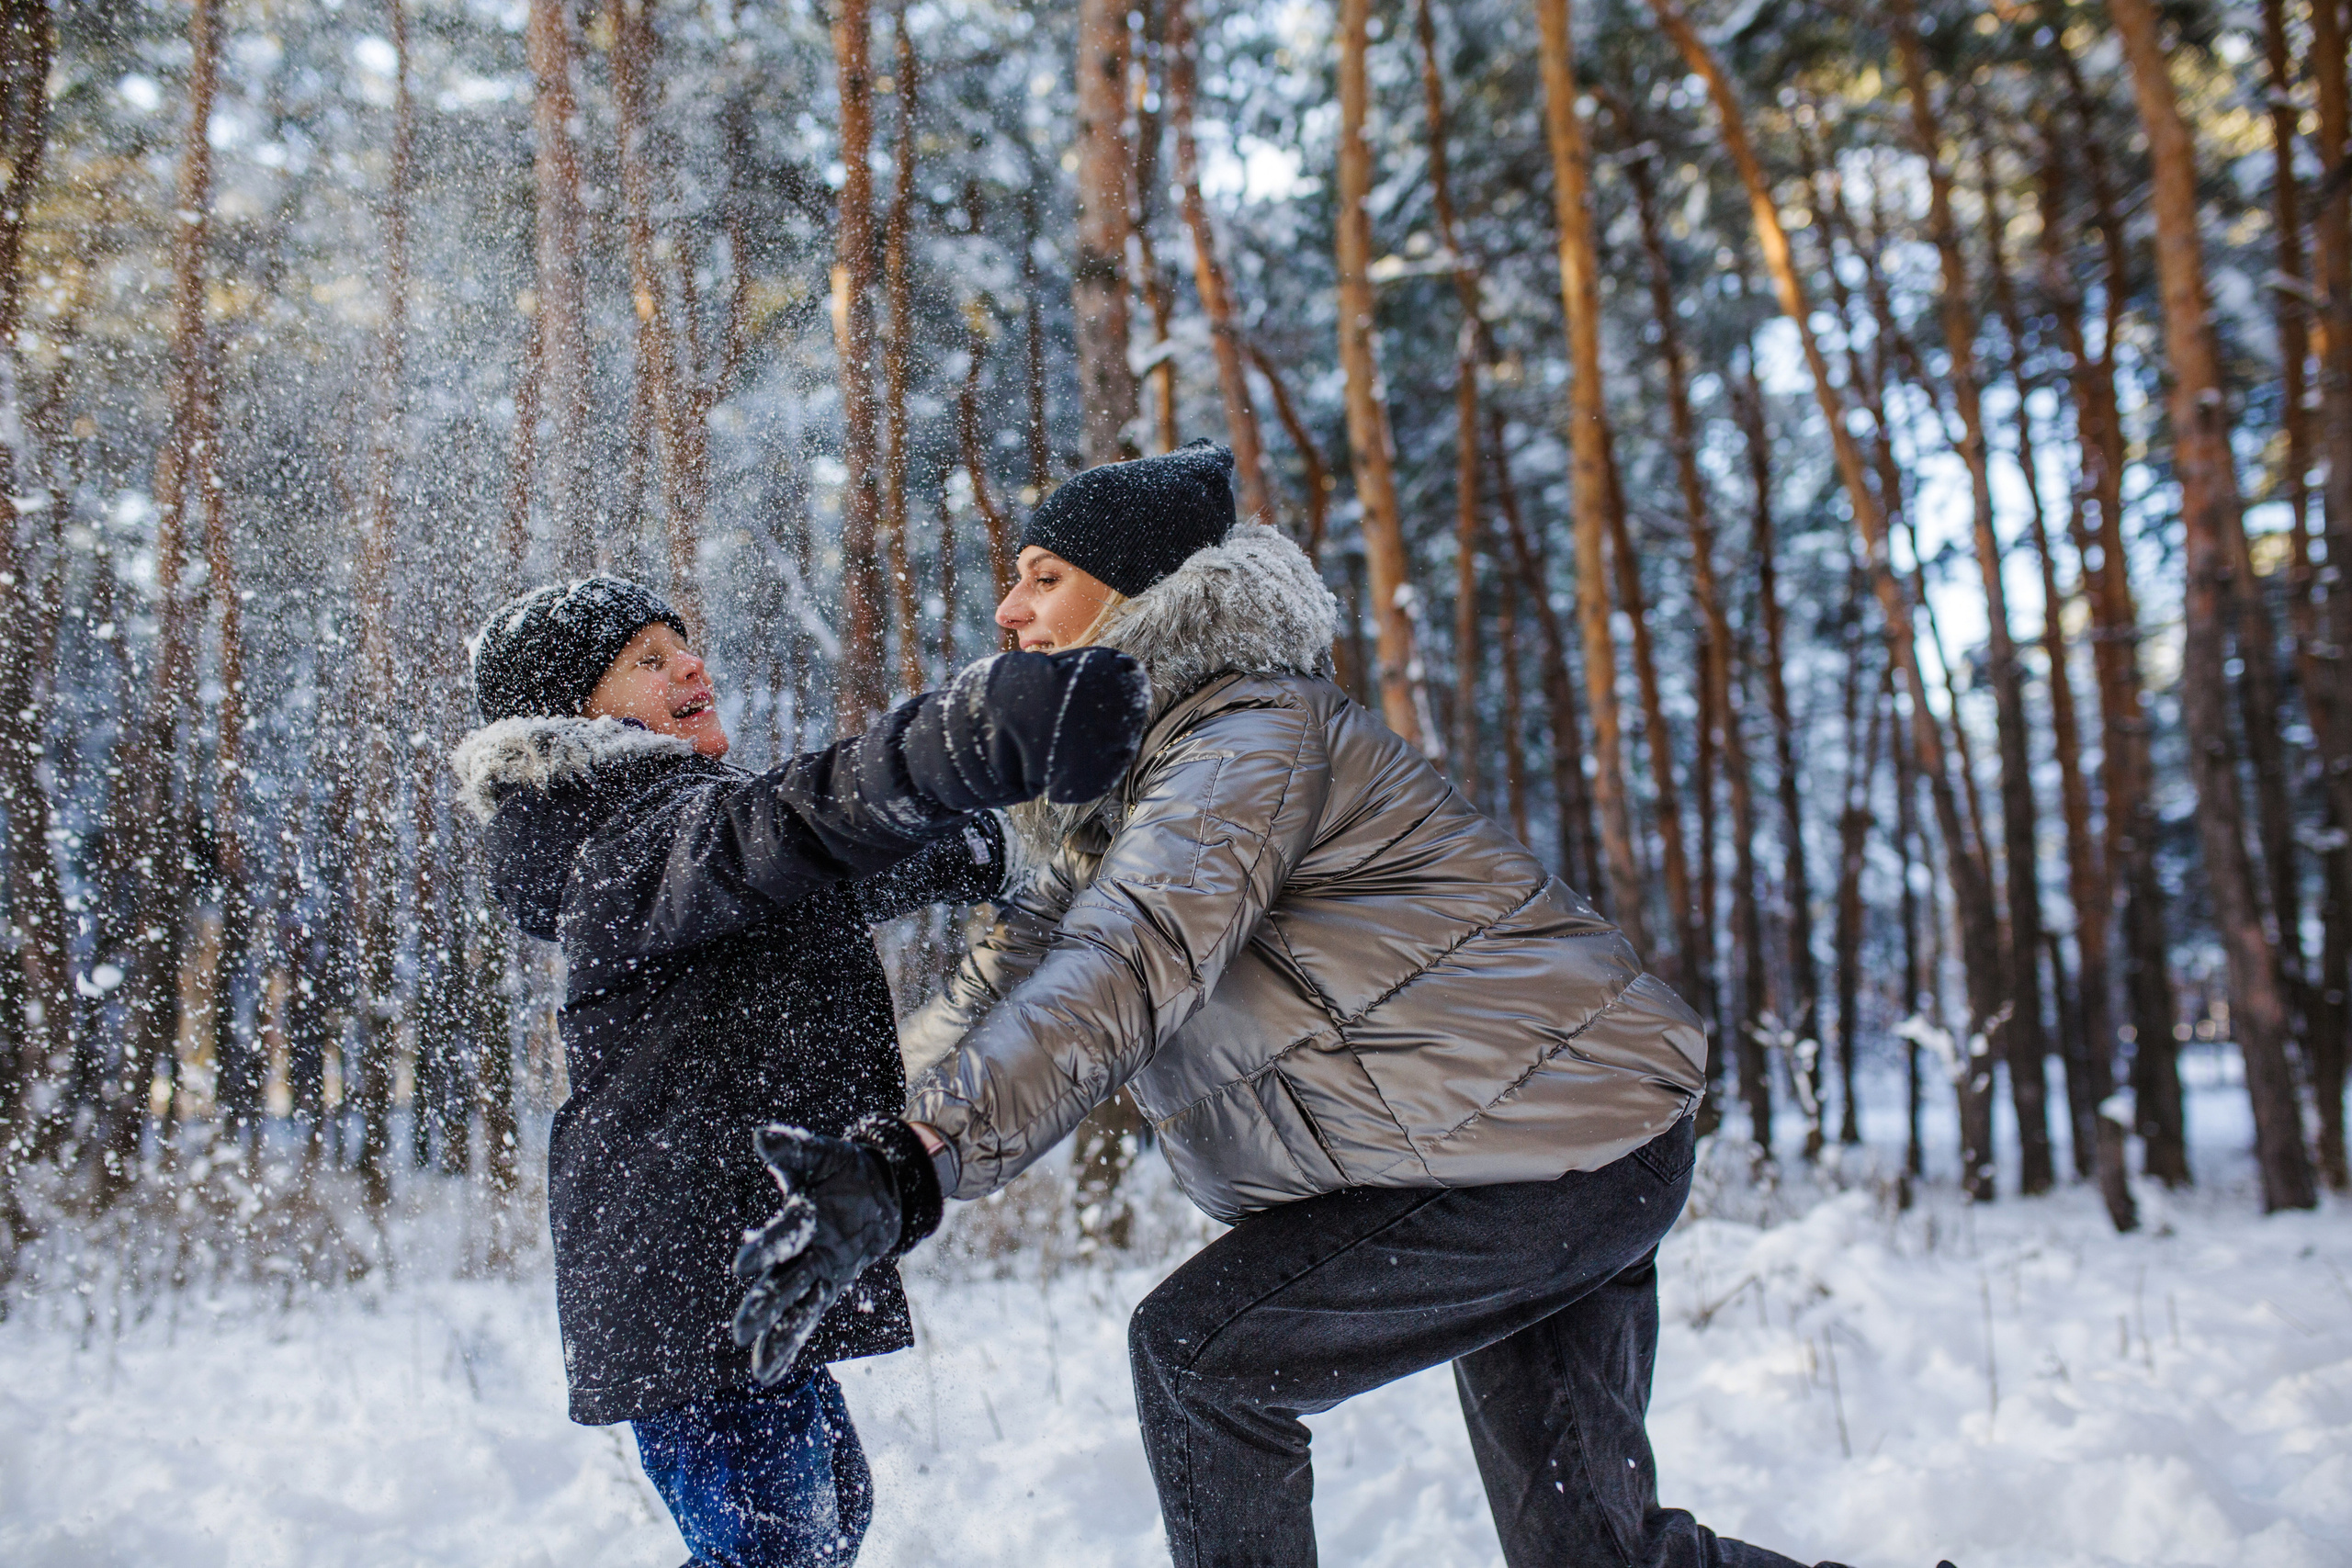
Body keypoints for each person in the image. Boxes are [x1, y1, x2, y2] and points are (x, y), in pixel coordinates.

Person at [730, 442, 1908, 1568]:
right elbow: (1003, 978)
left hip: (1550, 1145)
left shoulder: (1243, 739)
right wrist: (854, 1151)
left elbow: (1128, 957)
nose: (1008, 611)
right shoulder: (1134, 784)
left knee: (1204, 1362)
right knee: (1594, 1554)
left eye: (1044, 580)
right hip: (1543, 1140)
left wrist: (917, 1164)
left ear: (1141, 601)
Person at [452, 575, 1148, 1567]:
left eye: (680, 646)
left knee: (822, 1525)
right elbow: (789, 828)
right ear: (576, 716)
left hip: (739, 1255)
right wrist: (954, 746)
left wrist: (993, 838)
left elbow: (834, 858)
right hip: (689, 1267)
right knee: (779, 1553)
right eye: (648, 661)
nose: (690, 664)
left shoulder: (683, 837)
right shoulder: (622, 845)